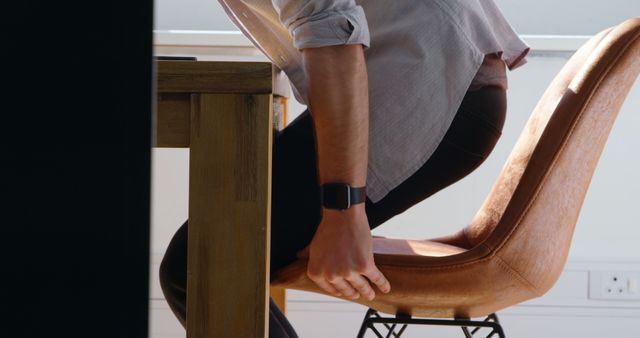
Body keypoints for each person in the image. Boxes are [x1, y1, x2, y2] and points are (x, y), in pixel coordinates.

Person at [159, 0, 530, 336]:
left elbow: (332, 36)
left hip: (433, 84)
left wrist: (343, 211)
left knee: (205, 263)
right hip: (438, 75)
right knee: (216, 259)